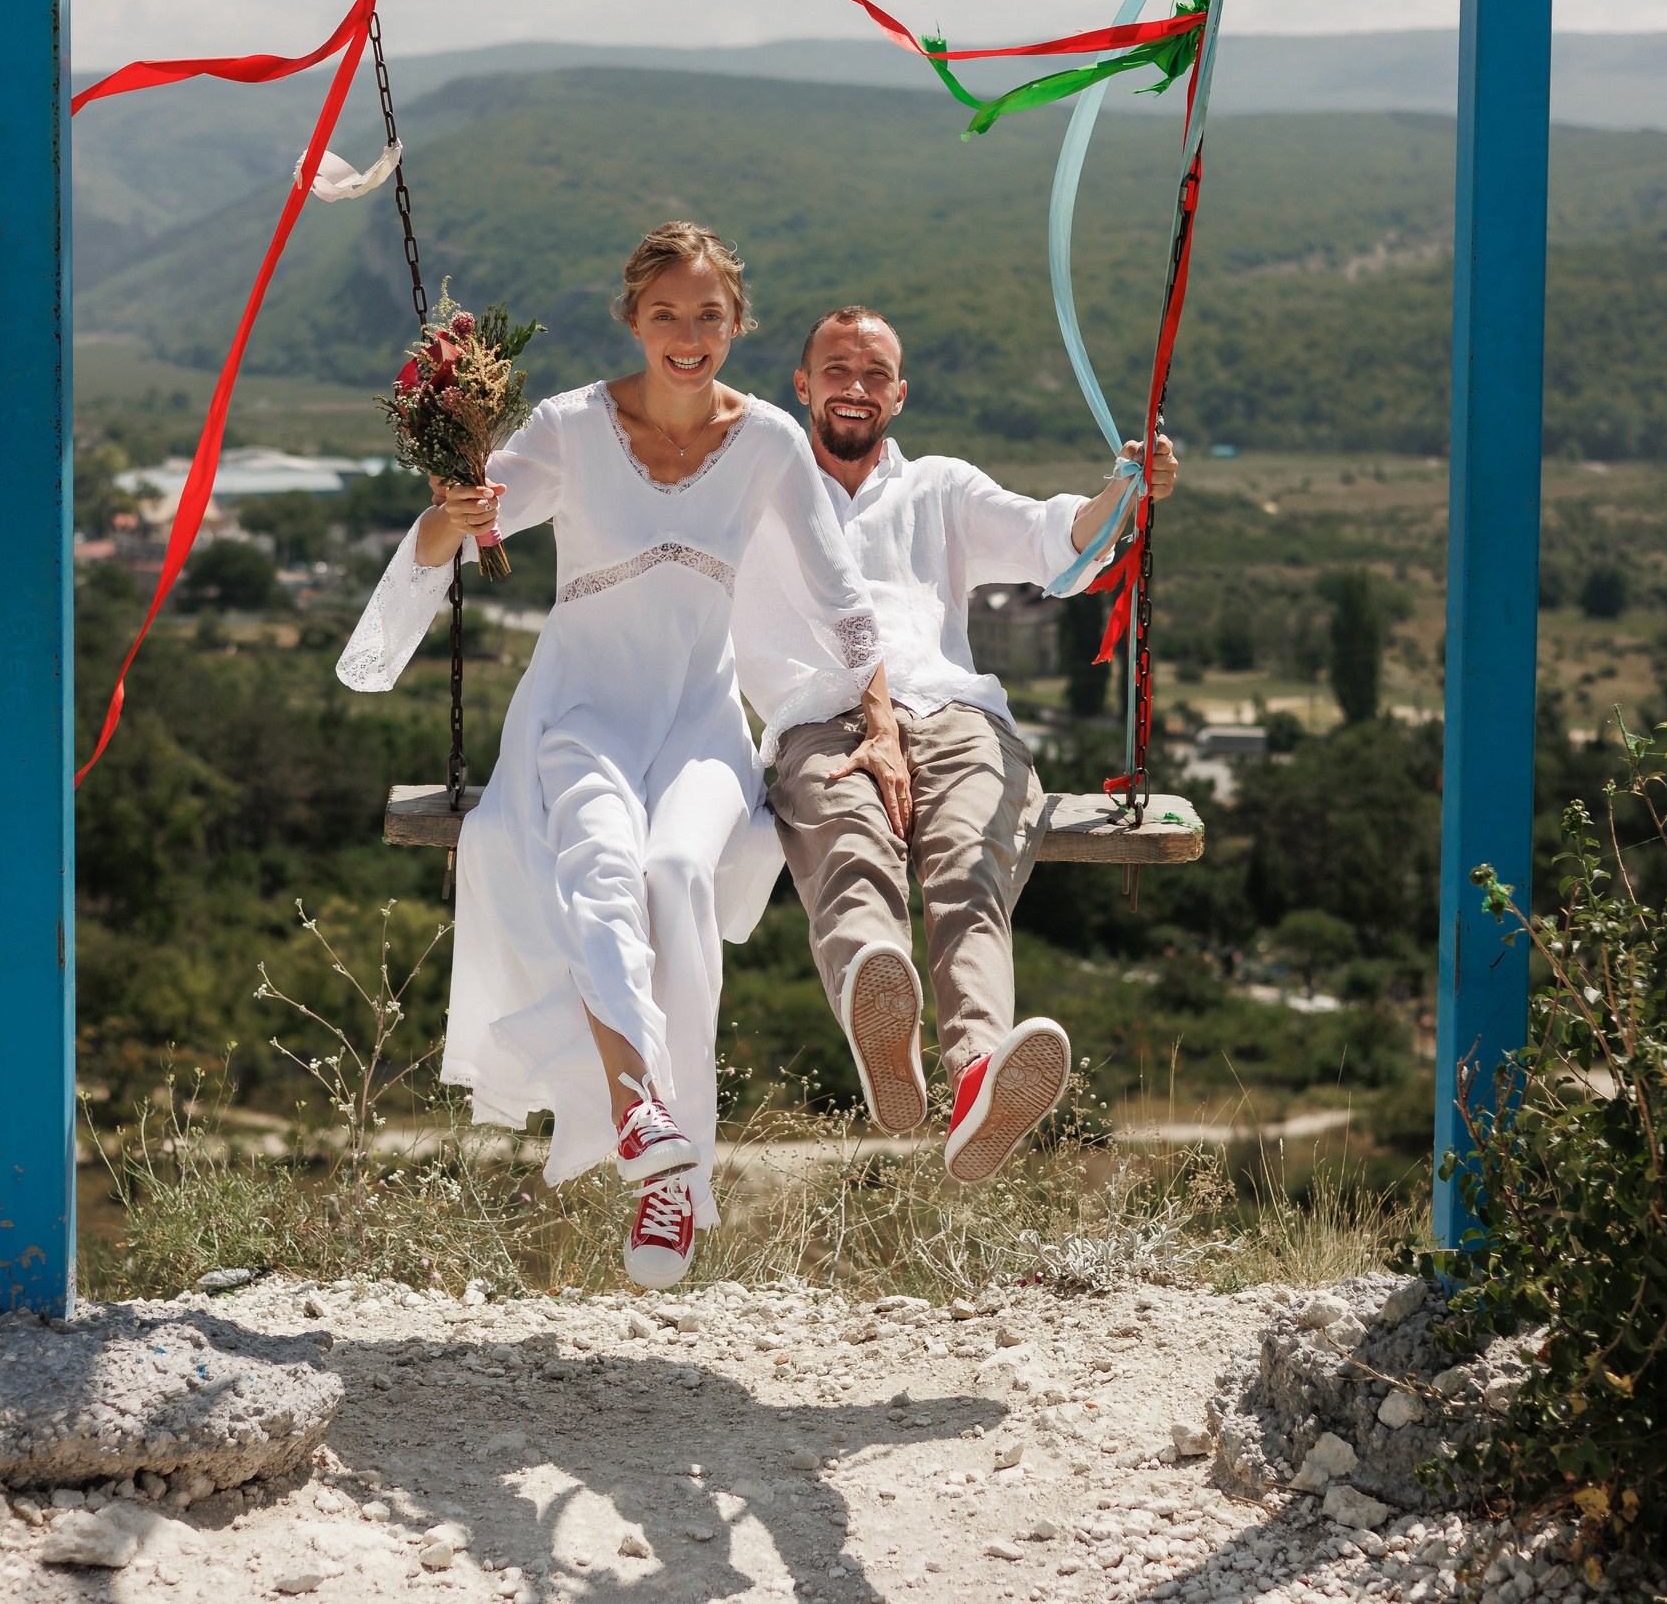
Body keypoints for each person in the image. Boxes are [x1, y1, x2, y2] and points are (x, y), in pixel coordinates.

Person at [337, 224, 903, 1289]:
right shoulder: (569, 427)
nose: (687, 337)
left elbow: (845, 605)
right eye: (665, 315)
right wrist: (450, 512)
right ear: (632, 321)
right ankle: (650, 1131)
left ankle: (676, 1182)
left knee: (678, 874)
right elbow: (455, 526)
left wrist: (878, 719)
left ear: (736, 323)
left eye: (708, 316)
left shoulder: (774, 442)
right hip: (583, 705)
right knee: (598, 864)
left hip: (695, 712)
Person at [733, 305, 1177, 1183]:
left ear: (900, 394)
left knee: (969, 866)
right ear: (801, 384)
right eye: (836, 369)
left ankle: (977, 1072)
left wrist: (1124, 492)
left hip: (954, 715)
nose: (853, 388)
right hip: (823, 718)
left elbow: (1054, 540)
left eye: (873, 374)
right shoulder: (758, 491)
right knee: (850, 843)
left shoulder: (939, 486)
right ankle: (880, 1009)